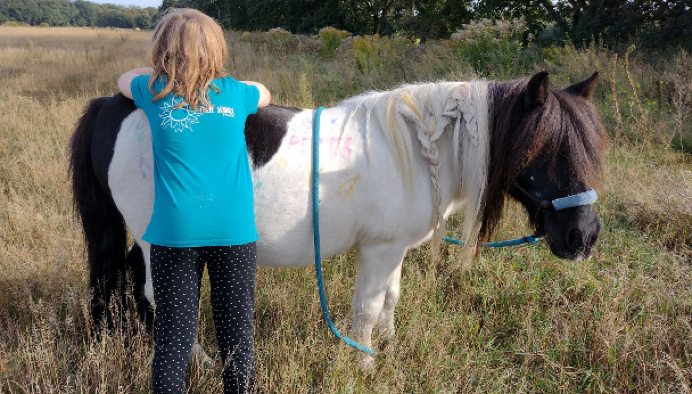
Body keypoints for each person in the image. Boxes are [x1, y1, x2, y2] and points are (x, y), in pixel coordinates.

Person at [117, 8, 270, 394]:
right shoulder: (236, 93)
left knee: (172, 344)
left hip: (174, 235)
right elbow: (264, 93)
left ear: (162, 48)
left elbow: (124, 80)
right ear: (216, 49)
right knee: (238, 342)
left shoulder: (154, 92)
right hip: (233, 234)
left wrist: (160, 73)